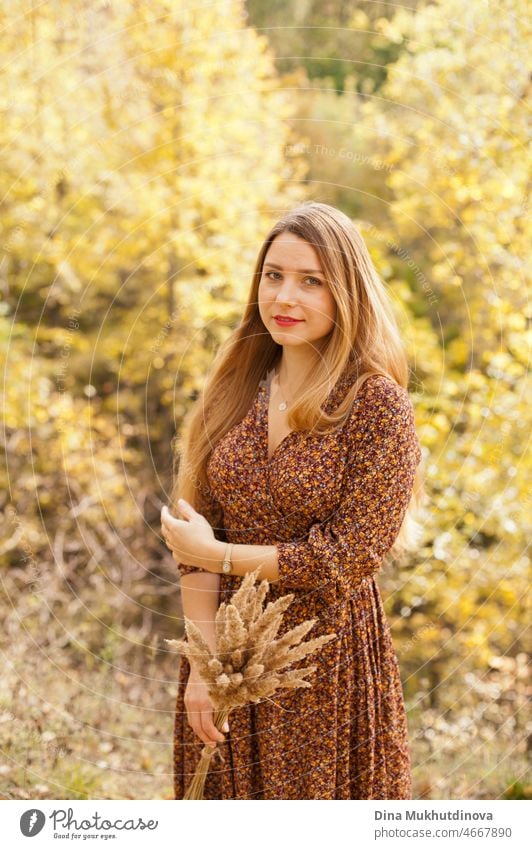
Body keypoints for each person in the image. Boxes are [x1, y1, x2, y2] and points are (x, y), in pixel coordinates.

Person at [161, 200, 424, 800]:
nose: (286, 297)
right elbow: (192, 536)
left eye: (312, 282)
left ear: (347, 294)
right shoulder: (235, 388)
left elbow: (344, 559)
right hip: (224, 653)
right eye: (274, 275)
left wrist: (222, 554)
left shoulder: (375, 405)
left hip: (325, 666)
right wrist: (204, 664)